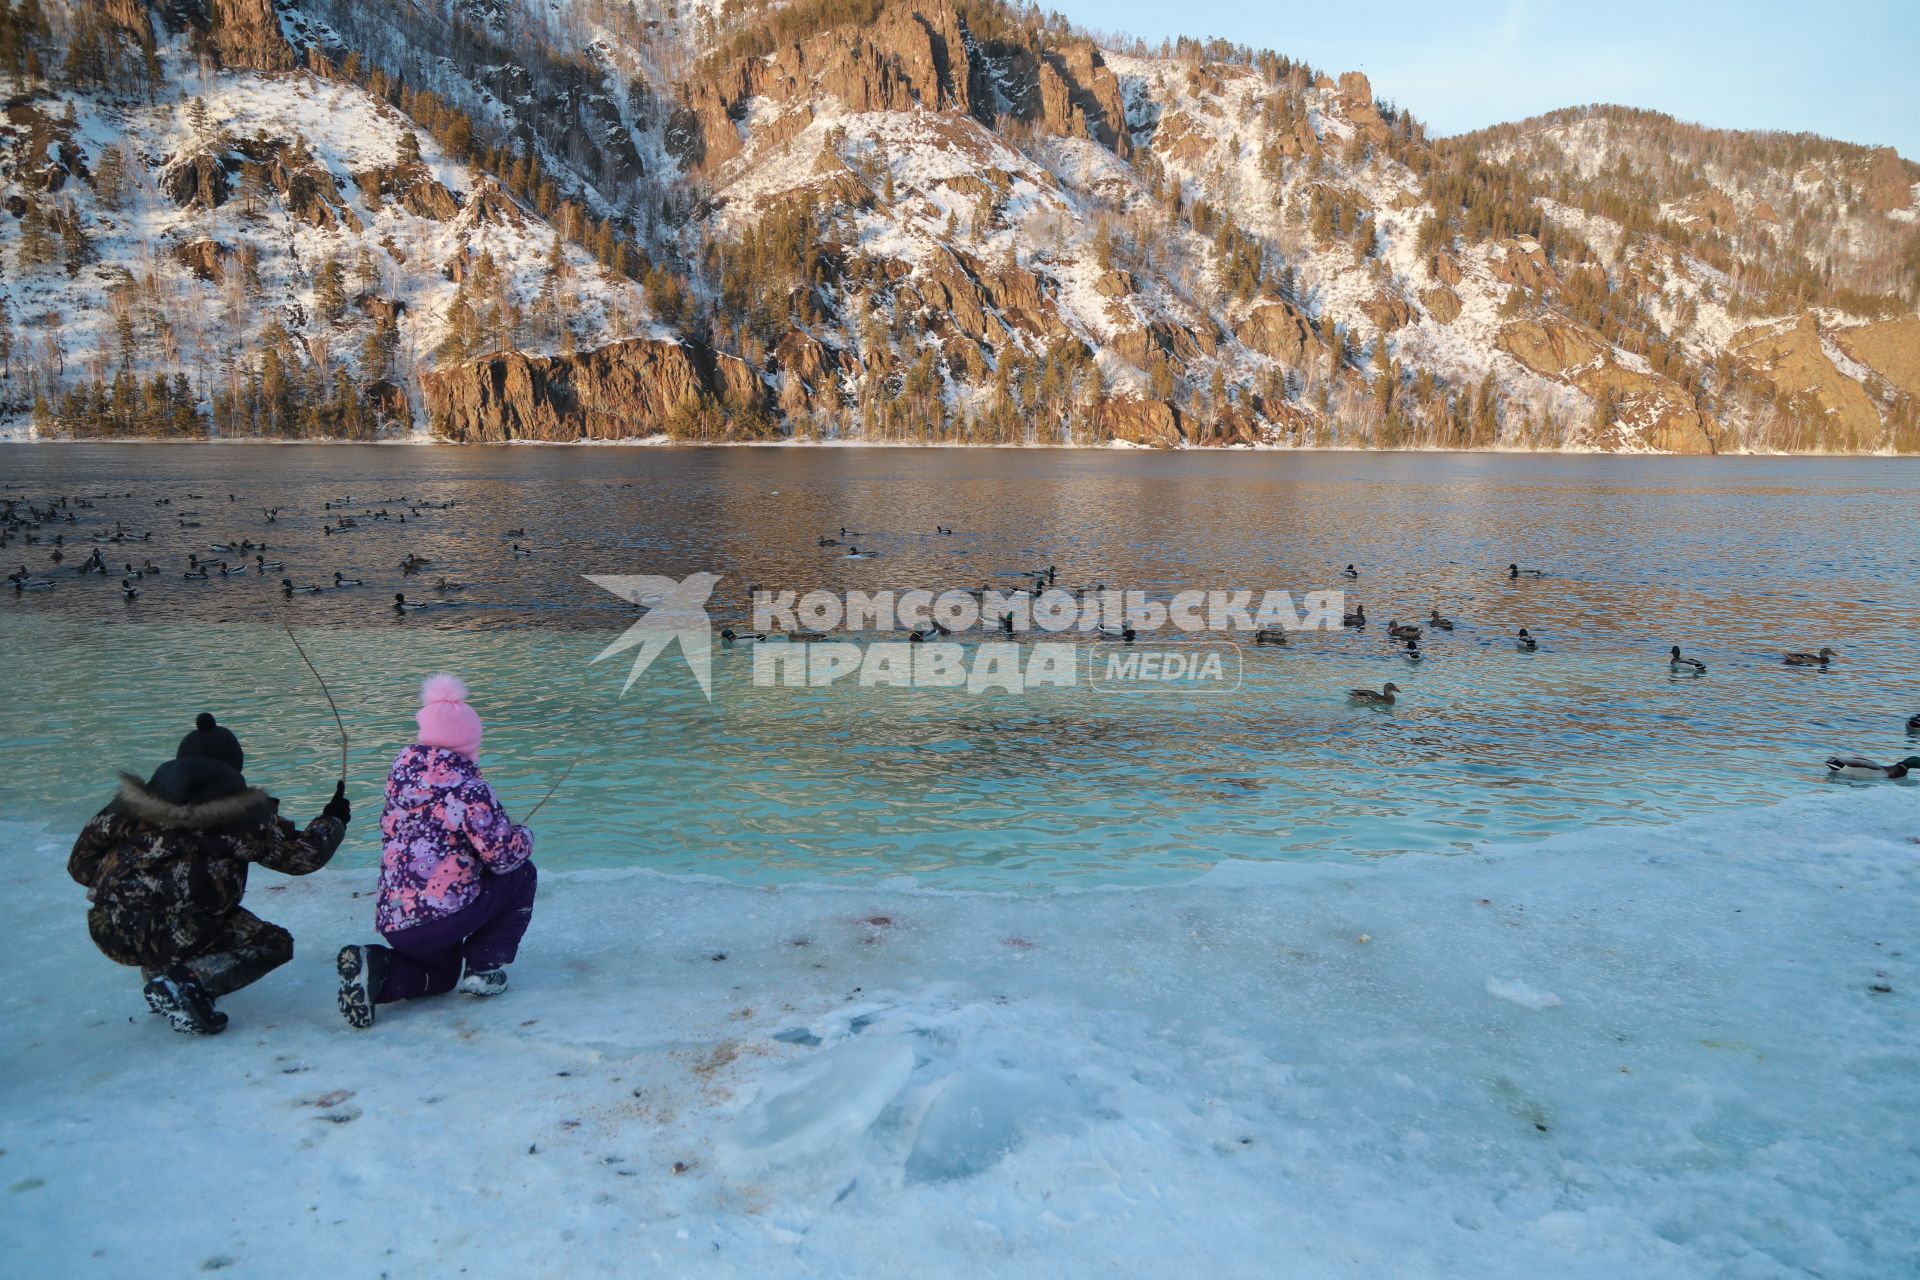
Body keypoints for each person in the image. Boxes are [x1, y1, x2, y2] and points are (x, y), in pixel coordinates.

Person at [69, 713, 349, 1036]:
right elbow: (304, 858)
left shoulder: (127, 807)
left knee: (168, 915)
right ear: (233, 768)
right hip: (186, 928)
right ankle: (189, 984)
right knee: (275, 943)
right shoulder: (243, 820)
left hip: (109, 927)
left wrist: (127, 885)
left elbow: (80, 865)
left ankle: (163, 979)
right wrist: (333, 819)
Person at [336, 676, 535, 1029]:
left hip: (395, 921)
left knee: (440, 977)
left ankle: (377, 967)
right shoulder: (470, 789)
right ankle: (484, 967)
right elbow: (503, 857)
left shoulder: (399, 779)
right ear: (469, 742)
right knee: (522, 873)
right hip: (441, 918)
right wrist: (524, 836)